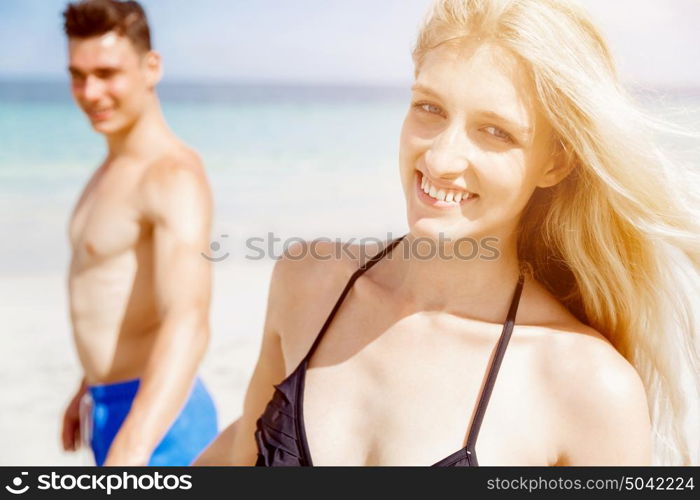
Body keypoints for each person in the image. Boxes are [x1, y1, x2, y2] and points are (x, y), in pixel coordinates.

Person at [199, 0, 699, 466]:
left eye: (495, 131)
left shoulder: (587, 387)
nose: (439, 159)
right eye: (430, 109)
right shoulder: (307, 282)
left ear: (554, 161)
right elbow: (243, 455)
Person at [60, 0, 218, 466]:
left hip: (161, 426)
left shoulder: (172, 176)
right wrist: (87, 385)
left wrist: (132, 447)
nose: (90, 92)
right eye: (77, 74)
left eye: (107, 73)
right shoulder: (110, 170)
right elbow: (117, 296)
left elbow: (187, 320)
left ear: (151, 67)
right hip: (112, 409)